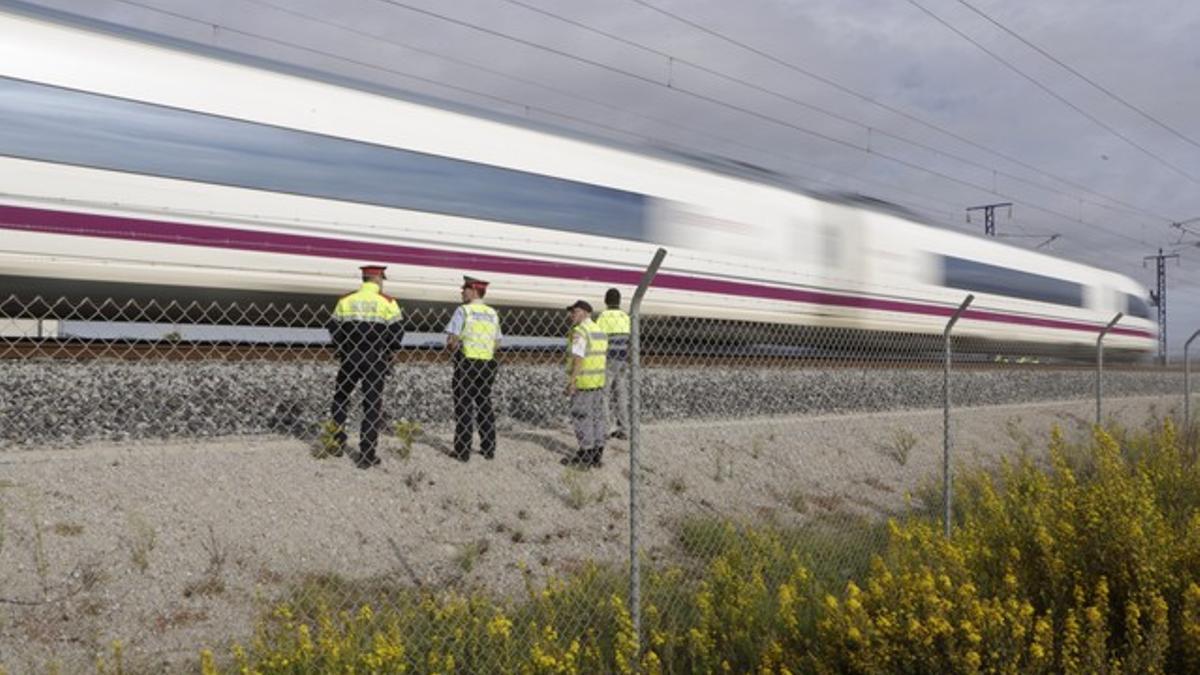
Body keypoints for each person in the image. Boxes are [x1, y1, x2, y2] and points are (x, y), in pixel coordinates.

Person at [325, 265, 404, 469]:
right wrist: (387, 350)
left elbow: (333, 328)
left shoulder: (345, 300)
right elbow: (397, 334)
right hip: (376, 358)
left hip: (350, 357)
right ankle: (367, 455)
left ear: (364, 278)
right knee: (371, 404)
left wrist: (343, 347)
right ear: (378, 279)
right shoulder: (388, 302)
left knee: (341, 397)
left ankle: (336, 444)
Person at [445, 276, 501, 462]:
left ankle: (462, 450)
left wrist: (452, 349)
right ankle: (488, 449)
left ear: (474, 291)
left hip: (467, 362)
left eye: (465, 289)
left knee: (464, 405)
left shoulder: (463, 311)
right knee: (484, 405)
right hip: (487, 363)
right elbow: (497, 342)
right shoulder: (492, 313)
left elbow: (452, 341)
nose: (462, 292)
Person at [561, 300, 608, 468]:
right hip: (598, 381)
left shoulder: (580, 331)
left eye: (574, 311)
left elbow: (578, 359)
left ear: (585, 313)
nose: (571, 315)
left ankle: (585, 454)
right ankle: (597, 453)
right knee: (597, 416)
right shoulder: (599, 331)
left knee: (581, 416)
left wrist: (572, 382)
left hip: (584, 381)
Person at [595, 288, 631, 440]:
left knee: (604, 394)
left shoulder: (603, 316)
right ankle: (624, 428)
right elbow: (629, 339)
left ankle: (607, 428)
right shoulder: (625, 316)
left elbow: (598, 338)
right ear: (619, 301)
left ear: (605, 301)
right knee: (621, 393)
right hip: (622, 358)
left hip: (608, 358)